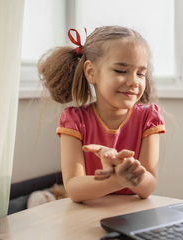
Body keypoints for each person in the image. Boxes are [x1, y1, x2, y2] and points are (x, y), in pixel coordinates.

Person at [38, 26, 165, 202]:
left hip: (133, 215)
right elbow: (74, 188)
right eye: (121, 71)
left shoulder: (149, 117)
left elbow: (148, 186)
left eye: (141, 73)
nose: (133, 81)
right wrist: (116, 180)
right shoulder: (74, 120)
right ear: (91, 72)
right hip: (87, 216)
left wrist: (130, 173)